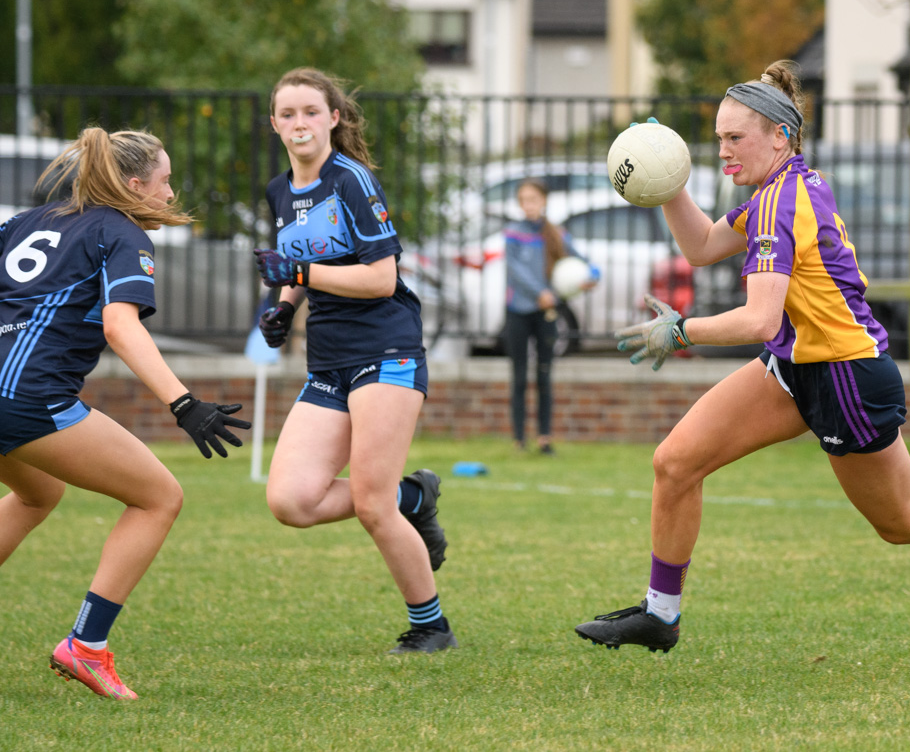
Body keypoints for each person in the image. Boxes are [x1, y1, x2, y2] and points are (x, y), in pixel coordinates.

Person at [574, 60, 910, 653]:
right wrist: (669, 182)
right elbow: (701, 246)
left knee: (903, 521)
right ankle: (660, 616)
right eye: (718, 138)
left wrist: (682, 331)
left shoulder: (777, 205)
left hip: (847, 375)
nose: (723, 151)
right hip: (794, 367)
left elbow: (758, 319)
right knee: (676, 462)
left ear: (780, 135)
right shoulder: (779, 189)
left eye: (735, 138)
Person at [0, 128, 251, 699]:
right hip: (26, 398)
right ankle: (85, 649)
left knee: (39, 494)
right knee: (159, 497)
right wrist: (183, 404)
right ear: (134, 185)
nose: (169, 193)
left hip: (10, 394)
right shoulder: (122, 231)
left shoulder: (27, 223)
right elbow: (120, 324)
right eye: (164, 181)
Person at [252, 67, 455, 654]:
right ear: (274, 124)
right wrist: (285, 307)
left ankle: (431, 628)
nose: (299, 124)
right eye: (287, 114)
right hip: (330, 359)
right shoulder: (279, 190)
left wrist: (297, 277)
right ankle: (414, 497)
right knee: (290, 500)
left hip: (385, 348)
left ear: (333, 119)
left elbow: (379, 277)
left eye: (310, 112)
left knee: (371, 502)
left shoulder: (351, 180)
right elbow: (300, 262)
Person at [503, 178, 599, 454]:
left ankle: (544, 438)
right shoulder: (513, 233)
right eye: (523, 200)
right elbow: (515, 272)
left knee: (544, 375)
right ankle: (519, 439)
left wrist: (591, 276)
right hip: (517, 312)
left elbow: (581, 262)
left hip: (547, 313)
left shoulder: (557, 234)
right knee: (519, 376)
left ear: (543, 200)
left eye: (533, 199)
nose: (528, 205)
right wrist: (539, 292)